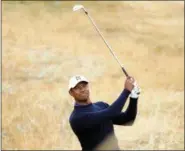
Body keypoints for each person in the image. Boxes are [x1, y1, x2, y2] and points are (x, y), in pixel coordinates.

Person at [68, 75, 140, 150]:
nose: (82, 89)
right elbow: (112, 112)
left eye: (84, 86)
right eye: (77, 88)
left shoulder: (101, 105)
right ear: (71, 92)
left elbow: (128, 120)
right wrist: (126, 91)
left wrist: (134, 97)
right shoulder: (77, 117)